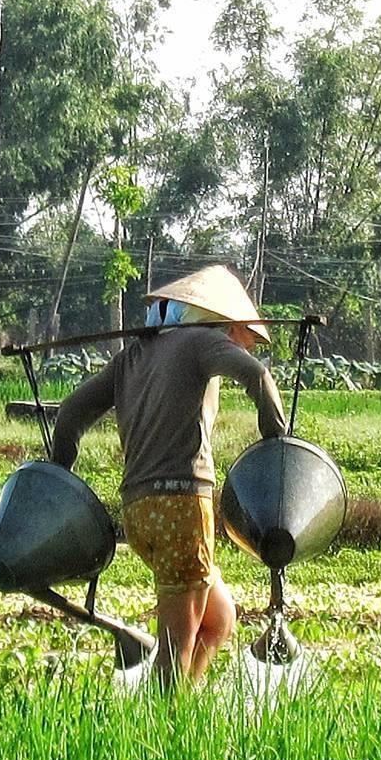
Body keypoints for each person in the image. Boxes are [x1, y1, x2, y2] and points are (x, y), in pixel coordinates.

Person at [50, 265, 287, 689]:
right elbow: (258, 375)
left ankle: (182, 705)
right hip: (181, 506)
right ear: (220, 321)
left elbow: (69, 413)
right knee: (177, 643)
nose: (243, 343)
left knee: (217, 619)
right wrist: (276, 443)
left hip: (139, 512)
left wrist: (59, 471)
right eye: (241, 334)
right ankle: (164, 719)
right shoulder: (203, 341)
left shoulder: (132, 356)